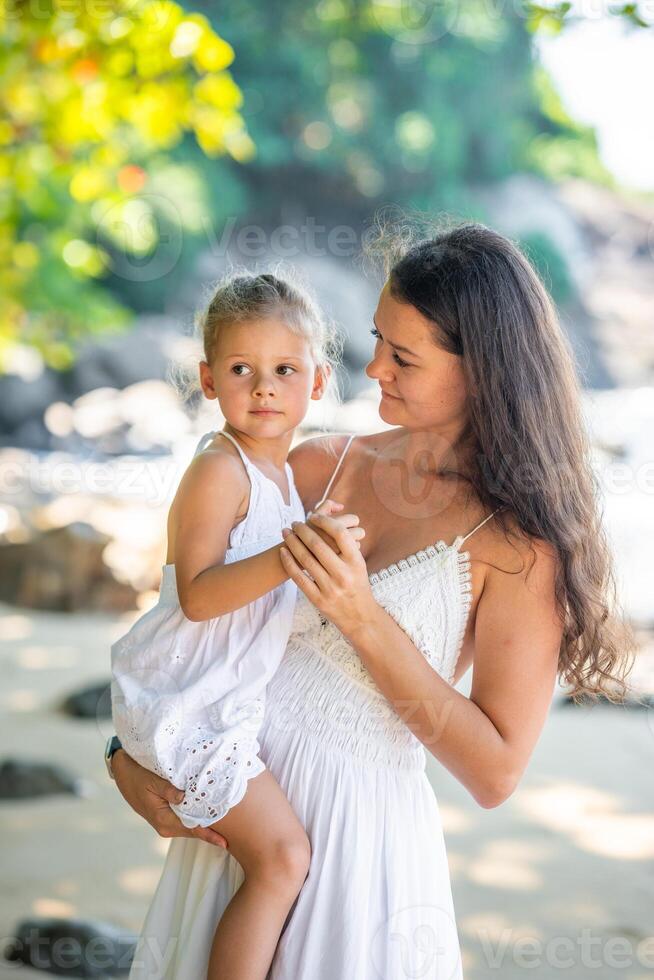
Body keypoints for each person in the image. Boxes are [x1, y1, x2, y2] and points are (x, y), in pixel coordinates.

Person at [109, 221, 634, 980]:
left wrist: (360, 614)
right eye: (377, 339)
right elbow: (195, 626)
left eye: (404, 356)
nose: (373, 366)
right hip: (237, 815)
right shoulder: (318, 465)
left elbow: (494, 774)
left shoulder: (519, 545)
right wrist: (125, 754)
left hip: (359, 847)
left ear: (479, 370)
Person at [110, 270, 364, 980]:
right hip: (184, 704)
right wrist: (295, 554)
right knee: (283, 860)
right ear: (207, 380)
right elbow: (198, 596)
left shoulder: (281, 478)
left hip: (218, 700)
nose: (263, 388)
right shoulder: (220, 471)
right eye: (241, 369)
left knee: (276, 860)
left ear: (317, 383)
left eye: (285, 369)